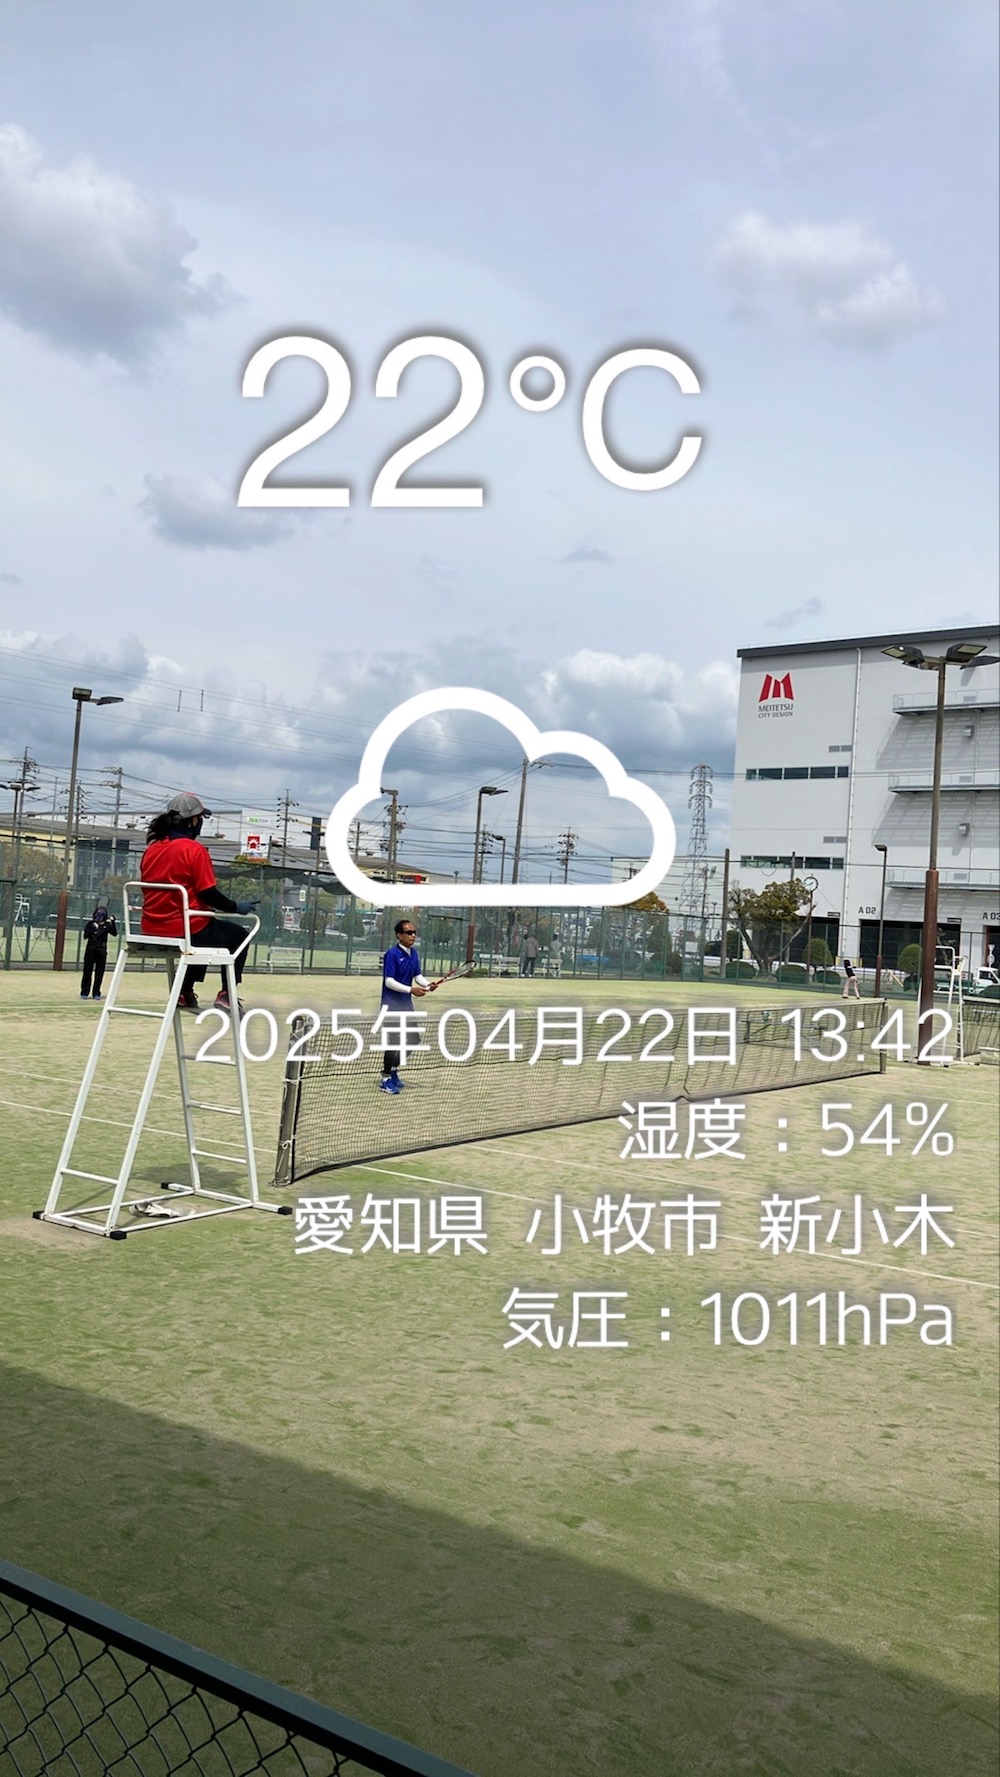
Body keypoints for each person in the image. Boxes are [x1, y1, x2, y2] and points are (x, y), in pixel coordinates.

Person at [140, 793, 256, 1013]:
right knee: (239, 935)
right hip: (185, 929)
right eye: (201, 818)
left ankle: (185, 992)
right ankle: (227, 994)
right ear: (193, 820)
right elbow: (208, 893)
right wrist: (236, 907)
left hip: (151, 928)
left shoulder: (152, 849)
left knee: (204, 926)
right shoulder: (194, 850)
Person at [378, 918, 439, 1093]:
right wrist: (411, 990)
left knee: (413, 1039)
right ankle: (385, 1079)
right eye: (409, 932)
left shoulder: (414, 954)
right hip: (391, 1006)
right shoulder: (392, 954)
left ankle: (393, 1069)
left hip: (406, 1005)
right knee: (395, 1042)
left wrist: (428, 985)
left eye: (414, 932)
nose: (413, 935)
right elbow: (389, 981)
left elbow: (417, 976)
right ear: (399, 935)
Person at [80, 903, 117, 1000]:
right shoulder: (90, 924)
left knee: (99, 973)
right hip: (90, 951)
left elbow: (114, 933)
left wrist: (113, 922)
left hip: (101, 951)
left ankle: (96, 993)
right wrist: (93, 929)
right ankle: (84, 992)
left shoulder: (107, 925)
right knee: (87, 972)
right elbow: (85, 936)